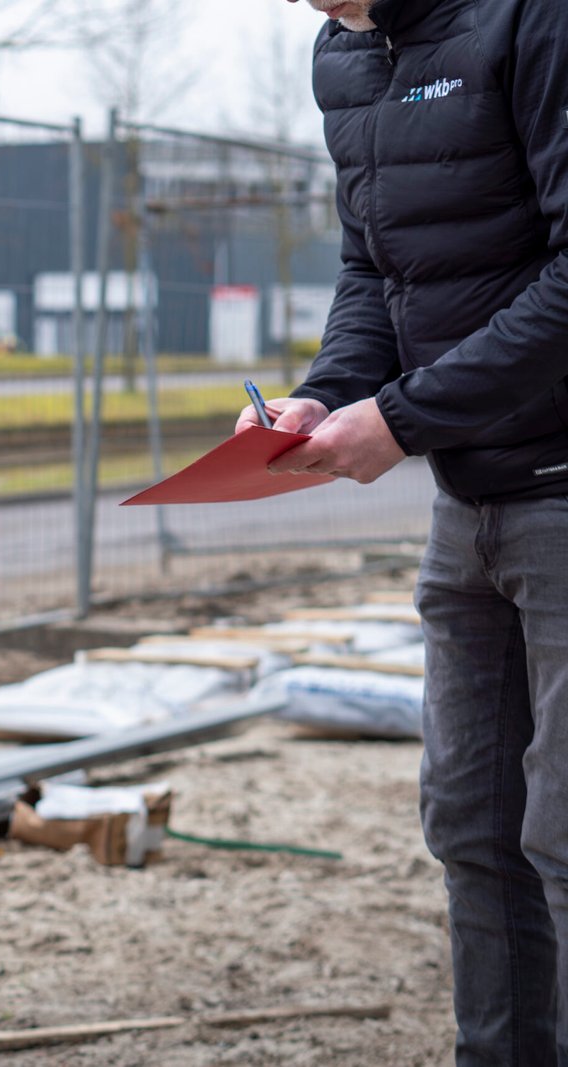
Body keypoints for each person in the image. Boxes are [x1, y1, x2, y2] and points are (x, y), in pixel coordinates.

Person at [246, 1, 568, 1061]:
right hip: (465, 500)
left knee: (562, 835)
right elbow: (371, 271)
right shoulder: (344, 52)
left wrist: (403, 417)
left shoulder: (530, 17)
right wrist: (325, 392)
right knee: (474, 829)